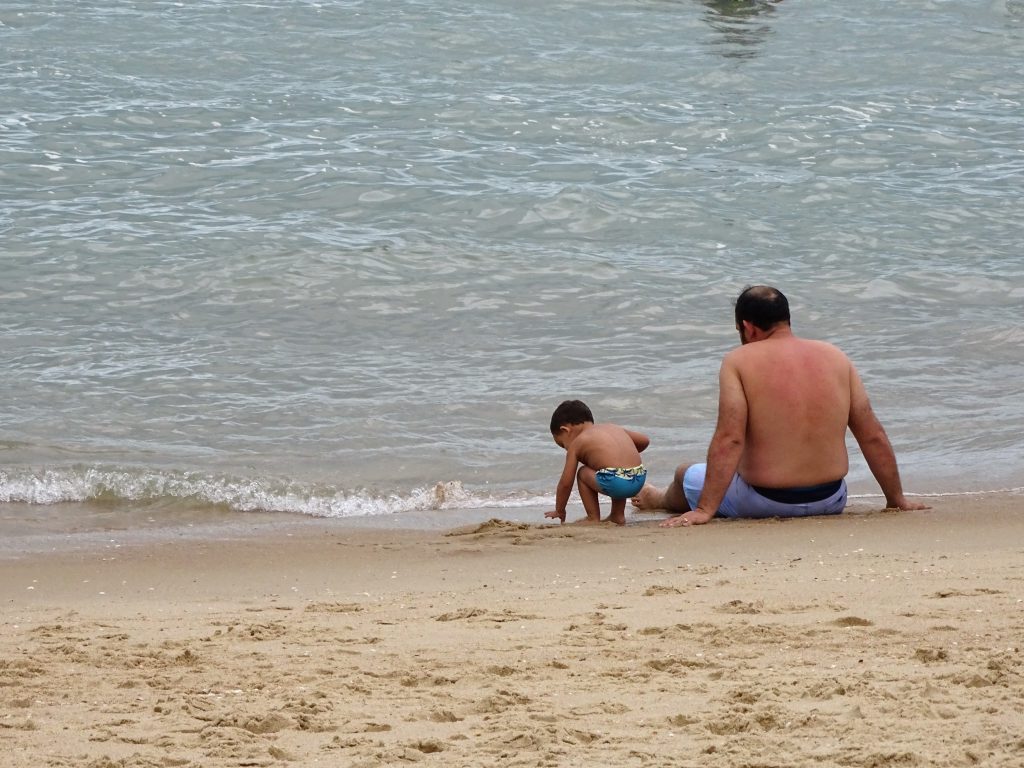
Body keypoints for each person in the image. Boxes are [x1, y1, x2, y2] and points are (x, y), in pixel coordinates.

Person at [632, 285, 929, 527]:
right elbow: (871, 433)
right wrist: (896, 499)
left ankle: (655, 498)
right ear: (786, 320)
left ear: (747, 328)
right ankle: (660, 496)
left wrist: (705, 510)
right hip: (832, 499)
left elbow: (730, 438)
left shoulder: (738, 361)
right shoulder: (836, 357)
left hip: (765, 502)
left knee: (687, 473)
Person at [545, 400, 650, 526]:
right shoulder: (612, 427)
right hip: (638, 479)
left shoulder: (578, 443)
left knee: (582, 473)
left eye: (562, 444)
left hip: (617, 483)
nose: (566, 449)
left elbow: (566, 483)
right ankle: (618, 516)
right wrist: (623, 452)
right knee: (613, 468)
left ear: (566, 430)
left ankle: (593, 517)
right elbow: (645, 441)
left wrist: (559, 510)